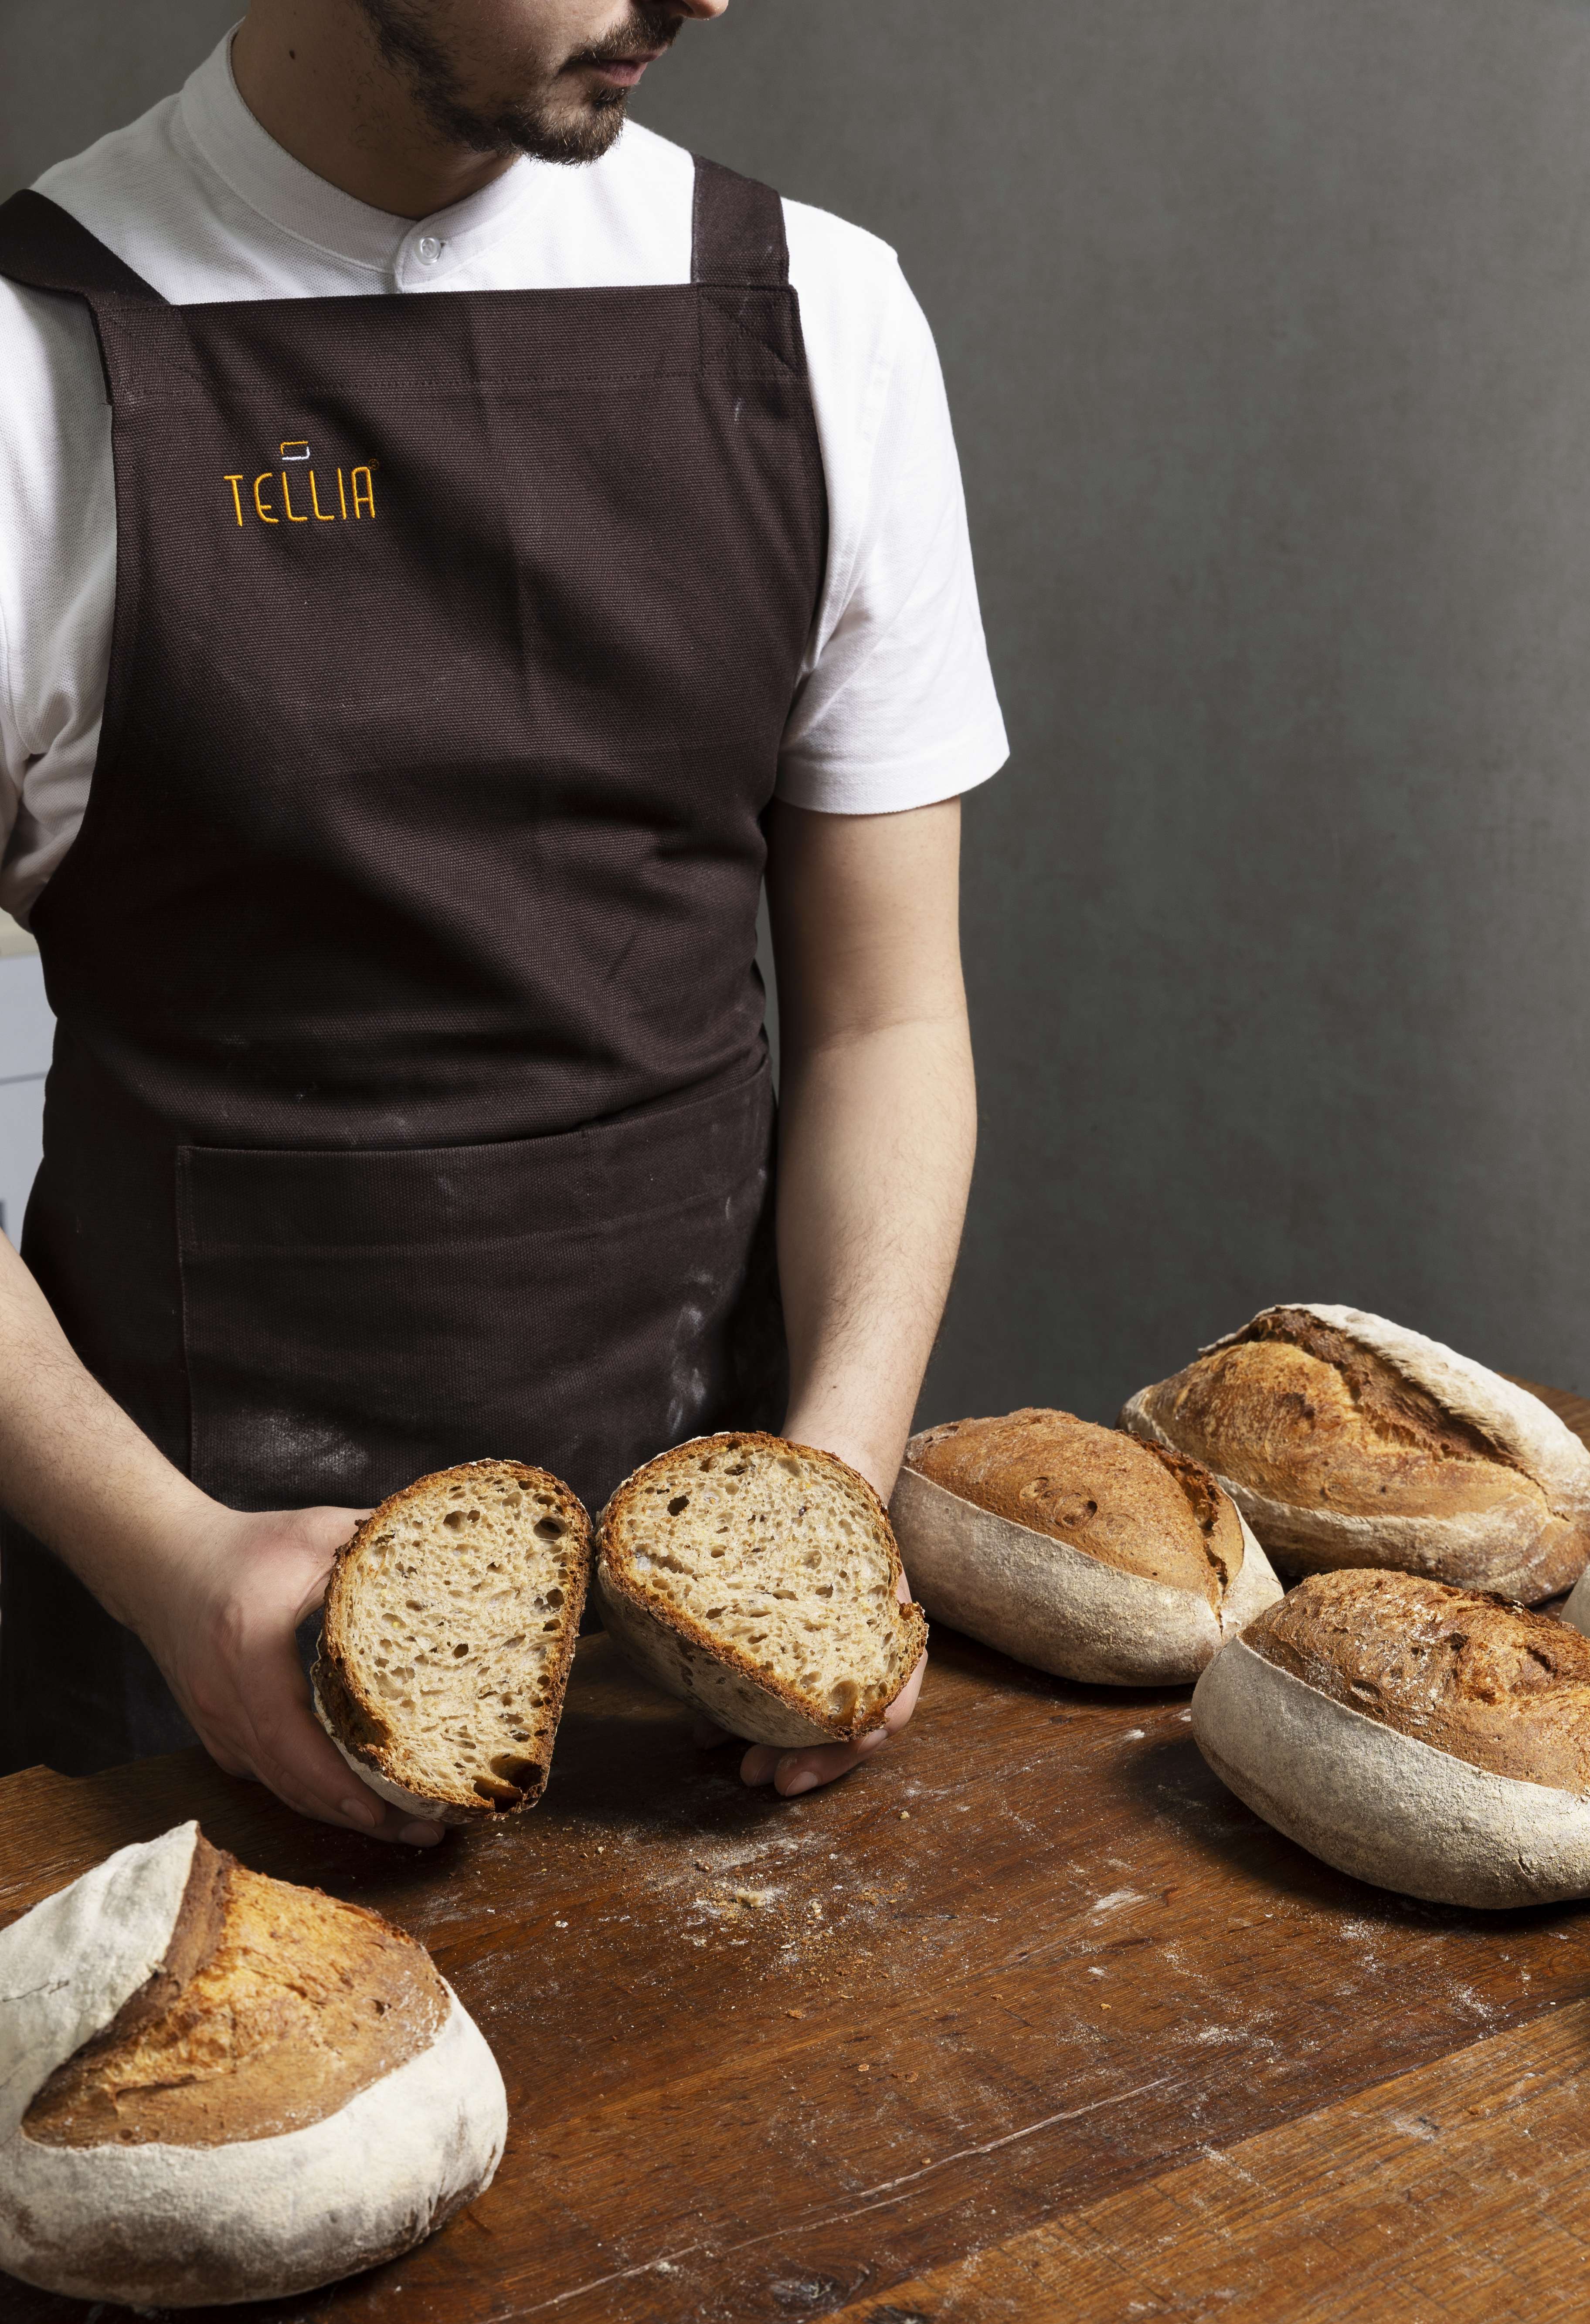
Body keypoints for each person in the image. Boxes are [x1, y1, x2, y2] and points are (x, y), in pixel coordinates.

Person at [0, 0, 1005, 1846]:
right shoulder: (25, 366)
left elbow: (887, 1020)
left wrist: (822, 1513)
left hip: (709, 1657)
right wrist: (165, 1570)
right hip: (190, 1618)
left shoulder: (821, 317)